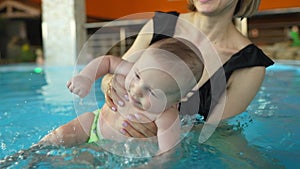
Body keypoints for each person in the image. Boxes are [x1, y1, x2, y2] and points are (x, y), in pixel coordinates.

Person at [102, 0, 274, 139]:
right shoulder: (160, 25)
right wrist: (110, 84)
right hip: (111, 131)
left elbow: (217, 134)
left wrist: (162, 132)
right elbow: (109, 77)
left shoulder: (249, 65)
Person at [37, 38, 204, 155]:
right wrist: (86, 77)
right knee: (59, 135)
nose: (136, 89)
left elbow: (168, 153)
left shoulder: (167, 116)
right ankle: (31, 154)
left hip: (118, 149)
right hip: (94, 124)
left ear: (178, 99)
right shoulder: (130, 69)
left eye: (153, 92)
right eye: (138, 76)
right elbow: (108, 61)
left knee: (79, 159)